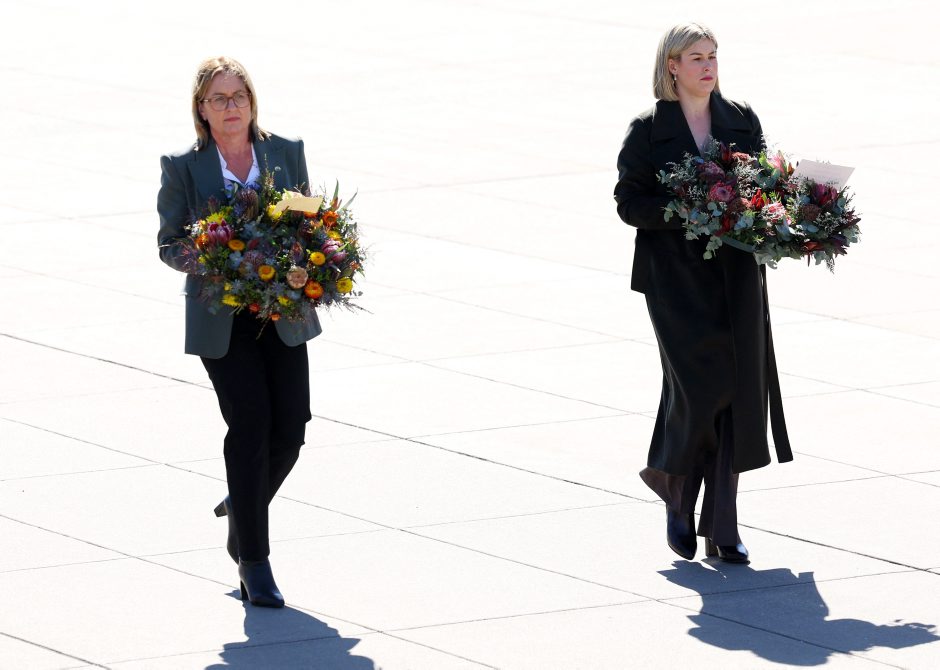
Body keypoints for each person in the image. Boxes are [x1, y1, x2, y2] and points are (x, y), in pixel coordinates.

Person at [613, 23, 792, 563]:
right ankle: (675, 486)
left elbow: (763, 188)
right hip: (674, 282)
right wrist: (687, 211)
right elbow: (629, 204)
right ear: (672, 65)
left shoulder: (741, 118)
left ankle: (723, 526)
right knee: (699, 388)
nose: (708, 66)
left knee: (737, 391)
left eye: (712, 55)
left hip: (736, 275)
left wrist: (790, 213)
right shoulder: (647, 130)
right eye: (696, 57)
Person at [157, 56, 321, 607]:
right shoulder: (184, 166)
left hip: (282, 310)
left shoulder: (285, 151)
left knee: (291, 429)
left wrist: (316, 255)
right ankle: (254, 560)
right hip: (222, 315)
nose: (231, 107)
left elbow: (309, 218)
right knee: (250, 426)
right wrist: (210, 256)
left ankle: (243, 502)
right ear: (201, 109)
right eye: (219, 99)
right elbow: (169, 243)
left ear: (252, 102)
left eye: (239, 96)